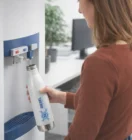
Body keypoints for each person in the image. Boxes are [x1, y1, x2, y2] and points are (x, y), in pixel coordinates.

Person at [27, 0, 132, 140]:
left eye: (79, 1)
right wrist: (61, 97)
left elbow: (81, 136)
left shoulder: (101, 63)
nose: (79, 10)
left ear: (98, 5)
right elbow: (108, 105)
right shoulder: (126, 50)